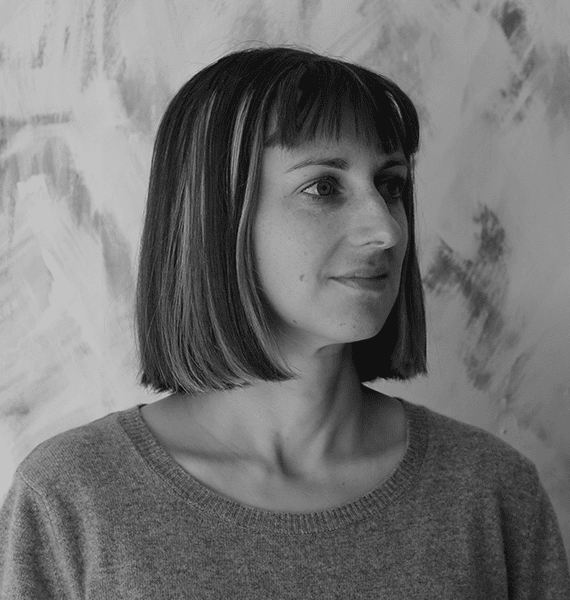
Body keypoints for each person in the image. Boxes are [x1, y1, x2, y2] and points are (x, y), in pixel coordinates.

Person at [1, 43, 569, 599]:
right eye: (323, 187)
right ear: (217, 215)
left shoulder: (491, 492)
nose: (387, 231)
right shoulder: (71, 500)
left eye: (390, 185)